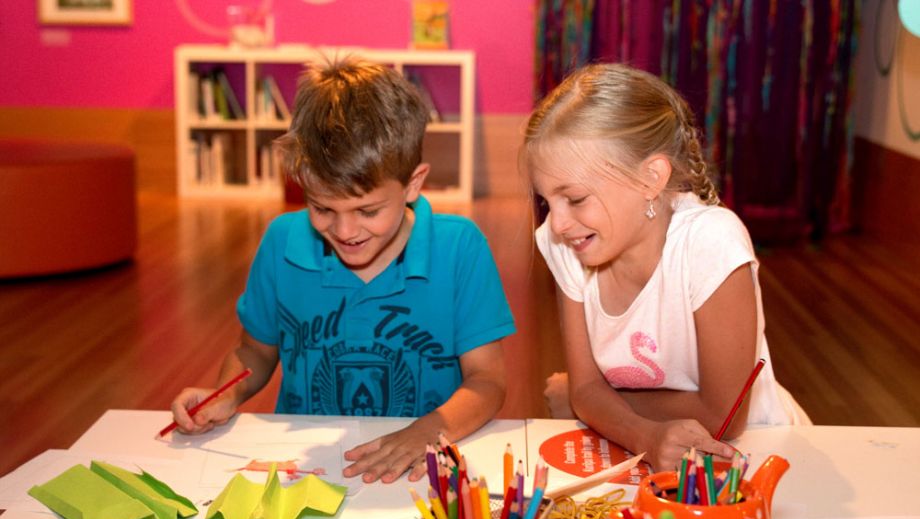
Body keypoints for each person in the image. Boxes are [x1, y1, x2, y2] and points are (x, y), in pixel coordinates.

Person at [170, 57, 515, 483]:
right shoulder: (282, 241)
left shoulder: (460, 247)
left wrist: (427, 431)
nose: (345, 230)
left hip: (420, 466)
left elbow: (488, 380)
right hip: (304, 467)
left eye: (367, 210)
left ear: (412, 183)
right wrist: (225, 393)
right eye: (322, 208)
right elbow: (255, 352)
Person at [525, 63, 806, 472]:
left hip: (758, 453)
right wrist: (639, 432)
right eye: (548, 201)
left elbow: (722, 417)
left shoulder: (710, 242)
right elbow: (586, 391)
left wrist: (591, 401)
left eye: (576, 198)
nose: (559, 221)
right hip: (640, 449)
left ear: (651, 178)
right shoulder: (566, 239)